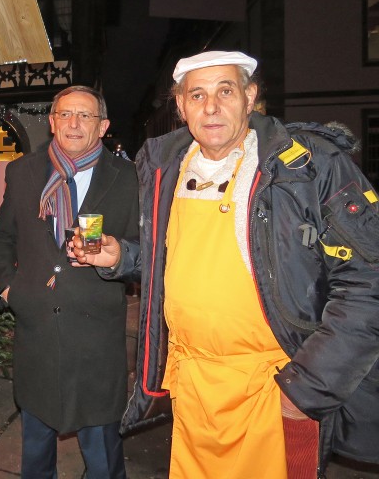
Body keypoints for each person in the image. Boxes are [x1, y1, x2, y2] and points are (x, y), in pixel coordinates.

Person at [75, 51, 379, 478]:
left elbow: (368, 282)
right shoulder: (164, 166)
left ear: (250, 97)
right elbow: (173, 262)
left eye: (225, 90)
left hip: (273, 390)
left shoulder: (306, 166)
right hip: (193, 388)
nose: (211, 106)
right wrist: (122, 256)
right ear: (180, 107)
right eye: (196, 95)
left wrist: (308, 388)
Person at [0, 85, 139, 479]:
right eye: (65, 114)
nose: (73, 123)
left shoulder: (130, 178)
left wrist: (118, 256)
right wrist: (8, 289)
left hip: (96, 344)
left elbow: (149, 257)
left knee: (103, 460)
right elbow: (3, 237)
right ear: (52, 121)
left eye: (85, 116)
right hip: (36, 336)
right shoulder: (22, 172)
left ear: (103, 126)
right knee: (36, 458)